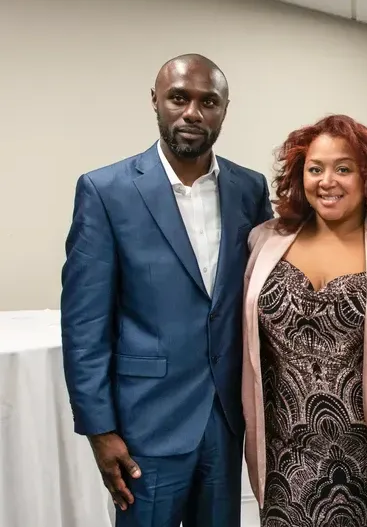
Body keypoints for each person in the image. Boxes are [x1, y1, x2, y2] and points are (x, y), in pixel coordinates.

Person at [60, 53, 273, 527]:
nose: (193, 112)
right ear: (156, 101)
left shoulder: (249, 188)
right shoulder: (105, 191)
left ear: (224, 110)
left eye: (208, 101)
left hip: (223, 417)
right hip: (144, 425)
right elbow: (84, 324)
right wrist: (100, 430)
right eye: (179, 97)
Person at [241, 114, 367, 527]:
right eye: (315, 169)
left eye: (344, 168)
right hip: (285, 465)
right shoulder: (264, 240)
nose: (328, 181)